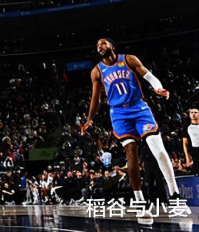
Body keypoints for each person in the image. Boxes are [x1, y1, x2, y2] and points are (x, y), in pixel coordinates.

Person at [80, 38, 189, 225]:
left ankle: (175, 195)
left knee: (158, 149)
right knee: (131, 151)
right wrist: (89, 119)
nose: (99, 47)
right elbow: (95, 98)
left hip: (139, 108)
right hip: (119, 114)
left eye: (103, 43)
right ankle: (140, 203)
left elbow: (148, 76)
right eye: (97, 45)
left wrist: (158, 88)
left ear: (112, 46)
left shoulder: (128, 59)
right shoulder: (97, 71)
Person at [182, 107, 199, 174]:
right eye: (191, 113)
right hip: (195, 151)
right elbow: (185, 143)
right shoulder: (186, 127)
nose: (193, 114)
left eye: (195, 112)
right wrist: (187, 157)